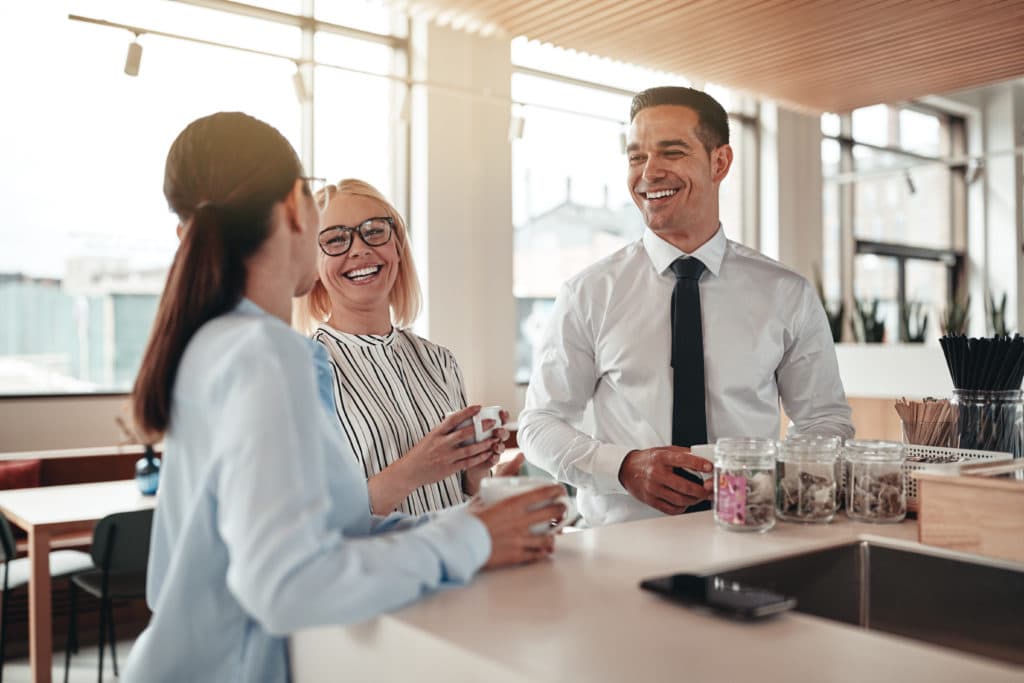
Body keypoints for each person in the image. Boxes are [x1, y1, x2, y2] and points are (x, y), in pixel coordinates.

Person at [123, 112, 564, 682]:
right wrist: (470, 537)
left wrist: (478, 521)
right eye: (333, 231)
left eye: (376, 232)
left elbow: (333, 531)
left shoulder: (219, 343)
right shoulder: (265, 354)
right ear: (293, 209)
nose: (357, 249)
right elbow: (287, 583)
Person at [519, 86, 853, 528]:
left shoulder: (785, 293)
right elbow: (540, 424)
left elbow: (825, 421)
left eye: (670, 152)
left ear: (720, 162)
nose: (649, 172)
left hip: (751, 537)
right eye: (636, 157)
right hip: (620, 549)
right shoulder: (588, 293)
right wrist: (623, 467)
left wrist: (764, 475)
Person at [295, 179, 522, 517]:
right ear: (312, 266)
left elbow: (464, 501)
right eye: (335, 240)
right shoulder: (302, 373)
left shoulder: (440, 361)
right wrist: (413, 470)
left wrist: (477, 473)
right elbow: (318, 521)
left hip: (460, 562)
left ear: (397, 248)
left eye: (374, 232)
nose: (359, 249)